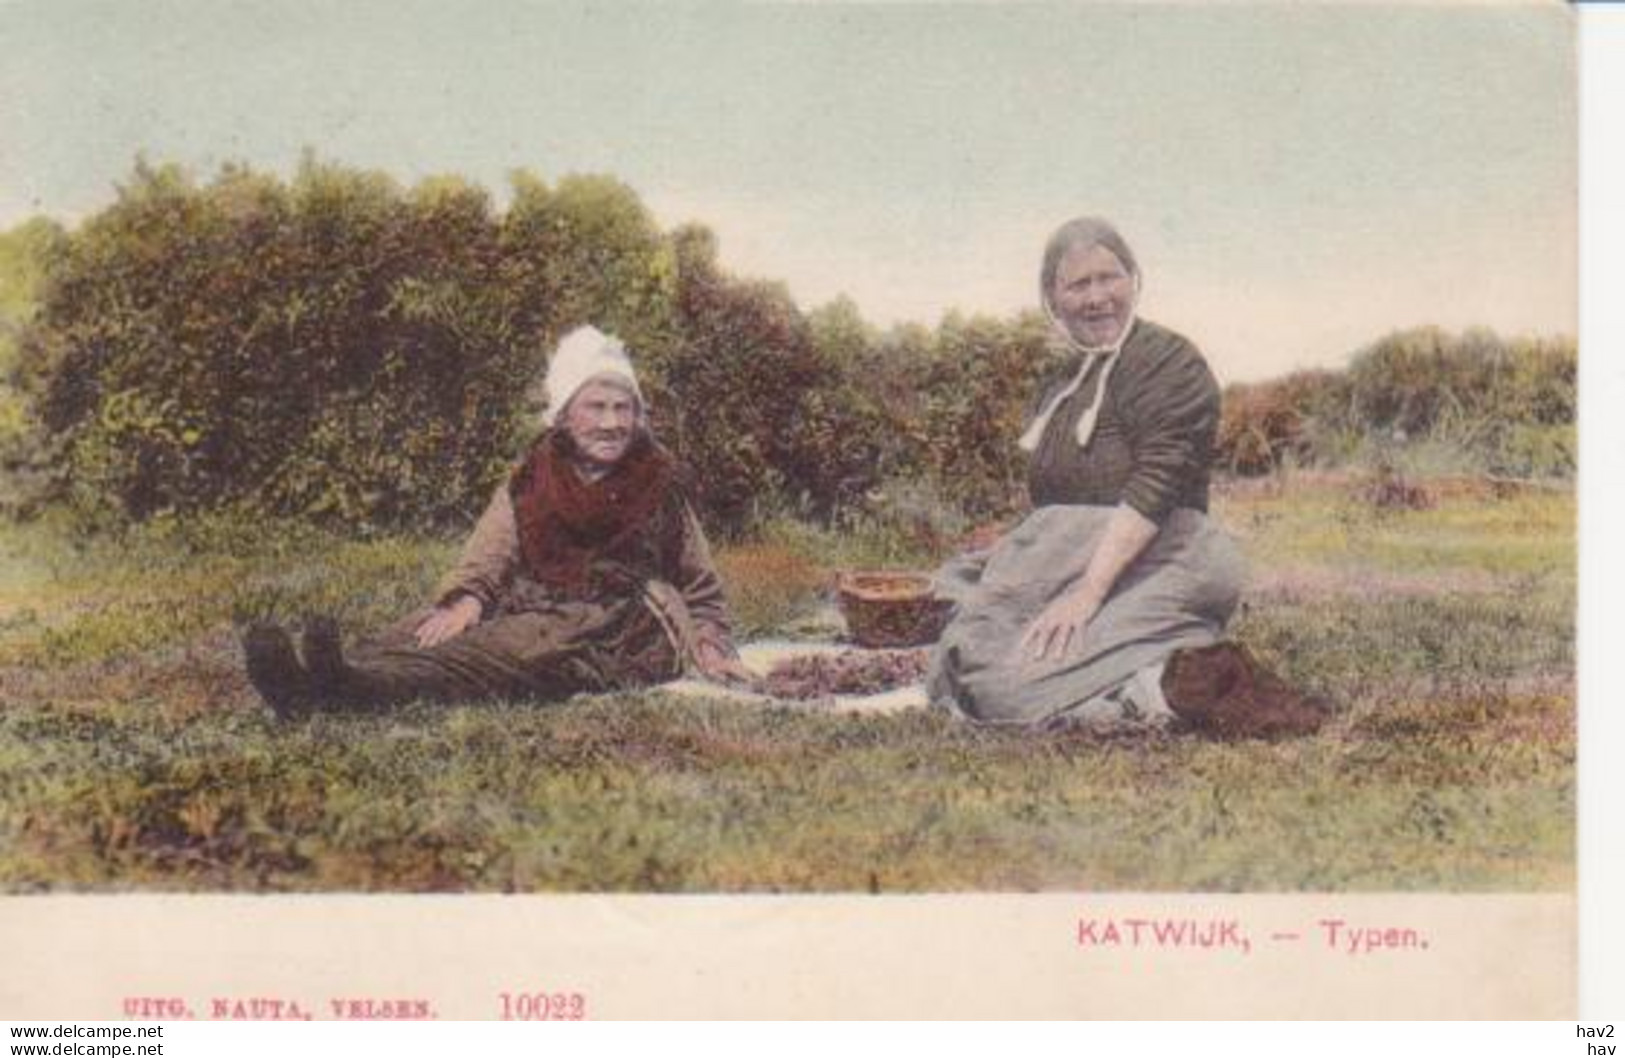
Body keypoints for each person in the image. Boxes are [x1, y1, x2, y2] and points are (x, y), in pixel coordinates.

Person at [927, 217, 1323, 737]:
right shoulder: (1064, 382)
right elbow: (1058, 505)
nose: (1096, 298)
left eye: (1108, 278)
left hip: (1163, 556)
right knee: (962, 636)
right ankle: (1152, 671)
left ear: (1134, 278)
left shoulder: (1168, 363)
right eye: (1077, 285)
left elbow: (1155, 487)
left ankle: (1180, 686)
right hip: (1079, 562)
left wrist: (1085, 596)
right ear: (1053, 298)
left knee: (1007, 690)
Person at [243, 325, 753, 719]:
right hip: (535, 601)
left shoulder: (658, 482)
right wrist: (468, 598)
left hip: (623, 627)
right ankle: (315, 680)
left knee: (492, 653)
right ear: (564, 415)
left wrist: (710, 646)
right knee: (428, 631)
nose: (612, 423)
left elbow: (700, 584)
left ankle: (356, 690)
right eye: (595, 407)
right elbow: (493, 548)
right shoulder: (534, 475)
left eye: (624, 409)